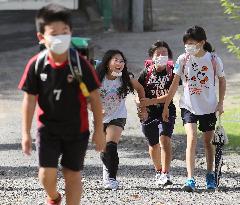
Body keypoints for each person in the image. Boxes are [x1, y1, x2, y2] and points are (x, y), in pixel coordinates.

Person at [18, 4, 105, 205]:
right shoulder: (36, 64)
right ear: (41, 37)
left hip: (77, 129)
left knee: (72, 175)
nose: (60, 37)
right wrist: (25, 133)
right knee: (45, 175)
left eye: (64, 32)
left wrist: (98, 130)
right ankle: (54, 197)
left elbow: (95, 98)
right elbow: (29, 100)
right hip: (47, 129)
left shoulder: (80, 64)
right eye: (54, 33)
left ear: (71, 32)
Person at [162, 25, 226, 192]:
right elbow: (175, 84)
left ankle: (209, 175)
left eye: (191, 43)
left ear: (202, 42)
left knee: (208, 142)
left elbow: (222, 80)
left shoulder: (213, 59)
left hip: (209, 107)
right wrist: (166, 105)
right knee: (191, 138)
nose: (188, 46)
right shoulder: (182, 59)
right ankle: (190, 178)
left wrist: (221, 103)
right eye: (186, 43)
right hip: (188, 106)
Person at [96, 49, 147, 190]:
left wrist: (142, 108)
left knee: (111, 145)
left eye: (122, 61)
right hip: (100, 117)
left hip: (118, 116)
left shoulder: (126, 78)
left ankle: (111, 178)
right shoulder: (97, 78)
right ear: (107, 63)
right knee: (104, 148)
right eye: (116, 60)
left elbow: (140, 89)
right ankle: (107, 169)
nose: (119, 63)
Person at [138, 40, 176, 186]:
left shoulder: (173, 71)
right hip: (149, 113)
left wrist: (150, 101)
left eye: (164, 53)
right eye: (158, 53)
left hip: (167, 109)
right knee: (153, 143)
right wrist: (141, 106)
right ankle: (158, 171)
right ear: (152, 56)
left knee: (165, 139)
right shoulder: (146, 72)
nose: (161, 56)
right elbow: (138, 90)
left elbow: (171, 94)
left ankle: (166, 173)